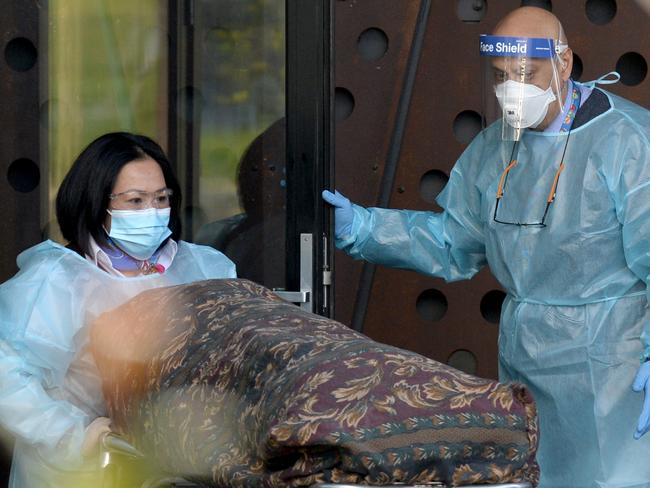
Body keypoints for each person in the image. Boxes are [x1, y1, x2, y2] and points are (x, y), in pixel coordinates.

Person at [324, 6, 650, 488]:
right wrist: (363, 228)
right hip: (526, 358)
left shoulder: (629, 141)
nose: (511, 88)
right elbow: (453, 243)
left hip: (614, 366)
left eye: (525, 73)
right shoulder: (495, 146)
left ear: (564, 63)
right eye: (501, 76)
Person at [0, 132, 236, 487]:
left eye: (161, 198)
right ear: (96, 202)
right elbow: (6, 374)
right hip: (79, 468)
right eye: (135, 201)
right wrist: (72, 434)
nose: (152, 213)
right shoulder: (59, 279)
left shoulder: (205, 268)